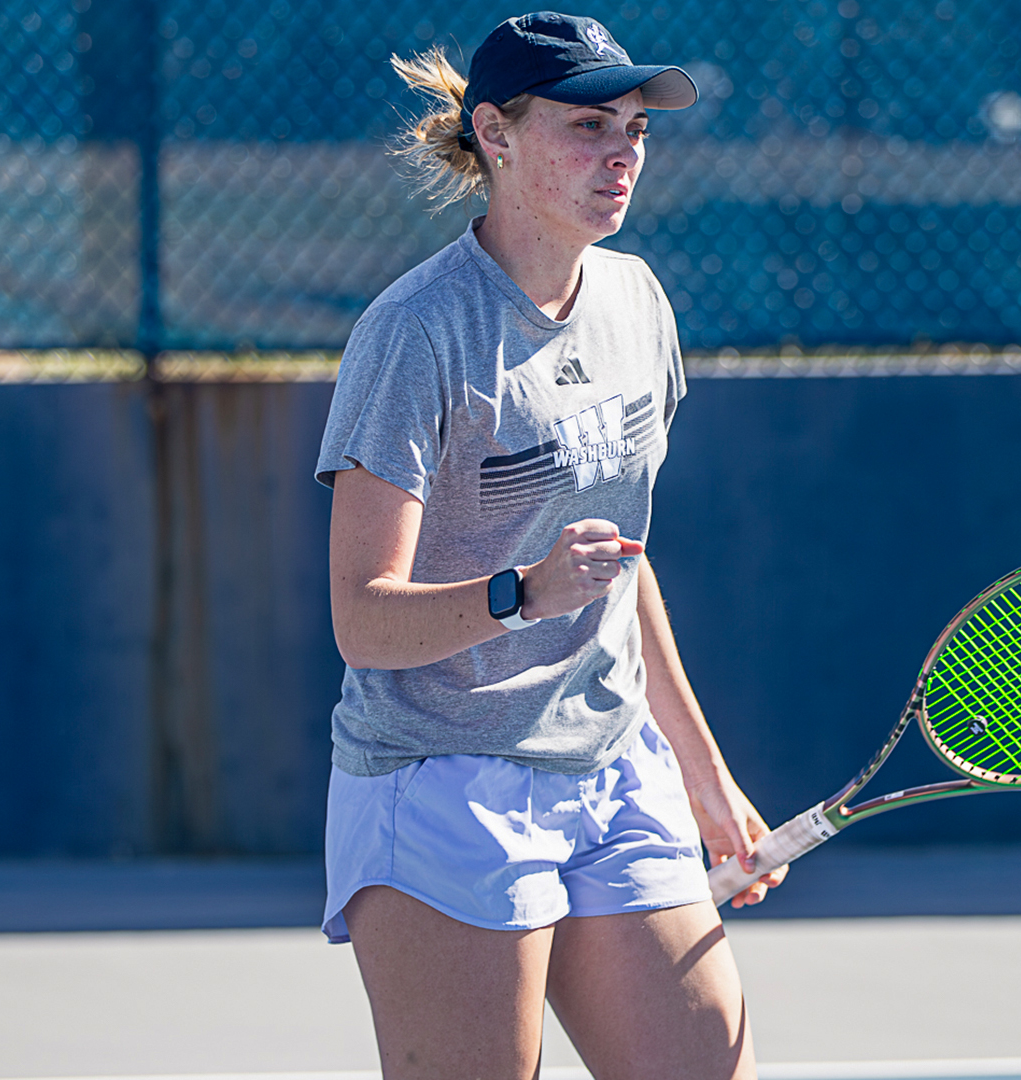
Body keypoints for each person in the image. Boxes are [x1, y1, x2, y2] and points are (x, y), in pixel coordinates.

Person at [313, 12, 785, 1079]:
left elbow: (620, 566)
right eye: (587, 126)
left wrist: (705, 779)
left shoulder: (637, 302)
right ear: (497, 134)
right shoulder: (417, 334)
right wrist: (520, 593)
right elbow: (362, 617)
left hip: (615, 773)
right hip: (443, 784)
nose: (621, 152)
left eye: (634, 130)